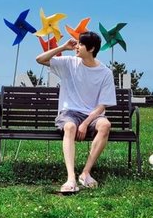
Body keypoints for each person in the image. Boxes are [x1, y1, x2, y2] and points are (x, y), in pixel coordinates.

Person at [36, 31, 117, 193]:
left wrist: (86, 123)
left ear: (92, 48)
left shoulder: (105, 73)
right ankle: (70, 178)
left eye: (81, 44)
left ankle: (86, 173)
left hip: (92, 115)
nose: (77, 47)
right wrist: (64, 47)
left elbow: (102, 106)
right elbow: (40, 59)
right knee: (70, 127)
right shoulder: (69, 63)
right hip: (69, 113)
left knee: (105, 125)